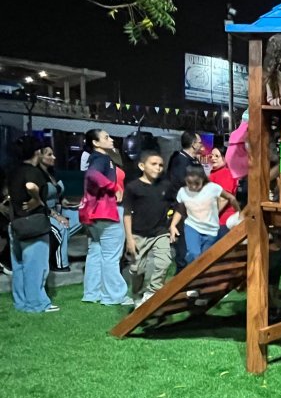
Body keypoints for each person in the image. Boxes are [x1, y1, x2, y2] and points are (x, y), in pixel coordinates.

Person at [80, 129, 130, 306]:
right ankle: (113, 296)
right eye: (106, 137)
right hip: (107, 212)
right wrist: (113, 187)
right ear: (95, 143)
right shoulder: (101, 159)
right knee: (111, 256)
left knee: (96, 252)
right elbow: (92, 176)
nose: (111, 139)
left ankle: (92, 293)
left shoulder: (96, 158)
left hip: (94, 214)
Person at [7, 136, 56, 312]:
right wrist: (37, 199)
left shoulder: (14, 171)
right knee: (36, 267)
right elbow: (30, 186)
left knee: (19, 266)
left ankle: (21, 302)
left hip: (16, 223)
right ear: (37, 152)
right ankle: (37, 304)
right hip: (33, 224)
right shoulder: (33, 171)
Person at [122, 149, 173, 308]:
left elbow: (178, 206)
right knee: (137, 269)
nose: (158, 167)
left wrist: (172, 225)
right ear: (142, 166)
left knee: (164, 262)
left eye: (161, 165)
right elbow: (127, 214)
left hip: (160, 232)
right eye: (154, 164)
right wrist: (129, 238)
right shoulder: (133, 187)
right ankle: (137, 294)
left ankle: (153, 290)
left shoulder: (166, 186)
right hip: (138, 234)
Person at [169, 165, 240, 265]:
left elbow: (231, 198)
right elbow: (180, 209)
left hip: (211, 230)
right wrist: (173, 225)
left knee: (205, 260)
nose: (193, 187)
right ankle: (190, 266)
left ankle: (197, 270)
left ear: (203, 179)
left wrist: (239, 214)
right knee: (194, 254)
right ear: (185, 180)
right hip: (192, 227)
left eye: (197, 183)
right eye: (189, 183)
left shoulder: (213, 188)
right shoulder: (182, 192)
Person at [37, 145, 81, 272]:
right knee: (62, 227)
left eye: (53, 154)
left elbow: (57, 193)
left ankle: (57, 245)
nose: (54, 157)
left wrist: (64, 200)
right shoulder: (36, 175)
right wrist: (57, 216)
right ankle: (59, 264)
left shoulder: (51, 173)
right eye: (49, 154)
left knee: (83, 216)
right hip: (46, 213)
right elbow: (40, 203)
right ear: (39, 156)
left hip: (59, 209)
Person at [166, 131, 203, 271]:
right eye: (199, 142)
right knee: (184, 250)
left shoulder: (193, 161)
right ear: (193, 144)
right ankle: (181, 278)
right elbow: (181, 186)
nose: (201, 145)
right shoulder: (179, 161)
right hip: (182, 211)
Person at [207, 146, 238, 238]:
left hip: (223, 222)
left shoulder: (225, 173)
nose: (213, 158)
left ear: (225, 158)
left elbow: (223, 199)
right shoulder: (214, 173)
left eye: (217, 156)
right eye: (211, 156)